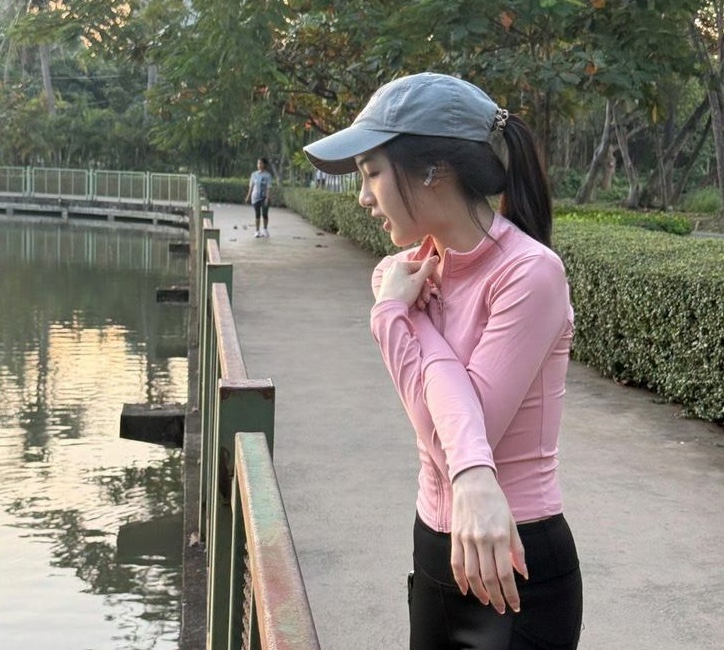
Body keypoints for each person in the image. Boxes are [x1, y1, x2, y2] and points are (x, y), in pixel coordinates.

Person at [304, 72, 583, 649]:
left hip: (516, 561)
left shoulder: (529, 273)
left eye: (372, 173)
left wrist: (395, 318)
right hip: (434, 550)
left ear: (434, 169)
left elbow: (453, 435)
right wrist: (394, 307)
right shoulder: (398, 274)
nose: (363, 198)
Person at [245, 157, 273, 237]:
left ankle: (265, 229)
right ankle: (257, 231)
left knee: (264, 214)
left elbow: (268, 187)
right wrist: (248, 197)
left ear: (264, 164)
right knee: (257, 214)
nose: (259, 165)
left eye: (261, 163)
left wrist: (267, 198)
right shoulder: (254, 174)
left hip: (264, 197)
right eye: (258, 163)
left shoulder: (268, 175)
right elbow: (251, 187)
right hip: (255, 197)